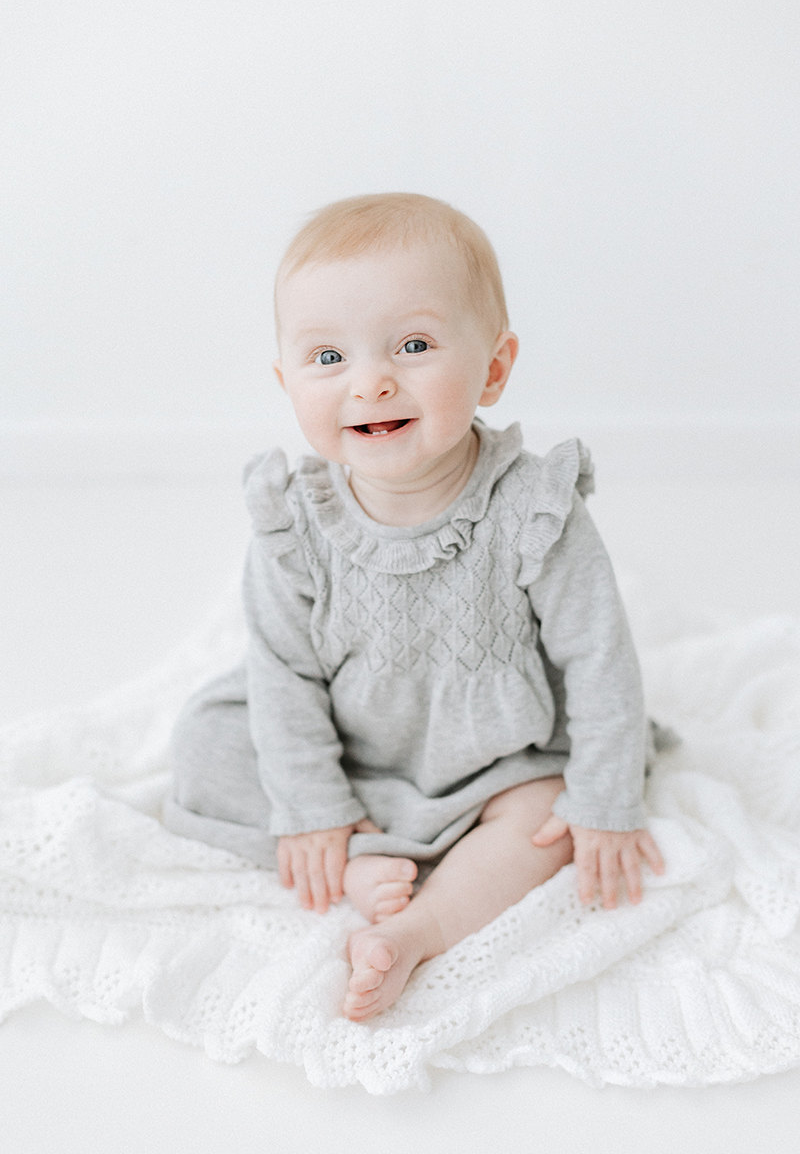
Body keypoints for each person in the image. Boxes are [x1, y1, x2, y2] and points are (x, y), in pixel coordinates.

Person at [163, 193, 665, 1022]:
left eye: (415, 345)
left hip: (495, 757)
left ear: (495, 368)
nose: (371, 380)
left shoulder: (533, 509)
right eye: (328, 357)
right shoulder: (293, 523)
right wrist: (314, 809)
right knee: (205, 743)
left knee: (552, 816)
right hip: (350, 745)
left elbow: (599, 654)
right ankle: (351, 851)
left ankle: (420, 929)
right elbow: (282, 673)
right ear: (286, 381)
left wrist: (605, 801)